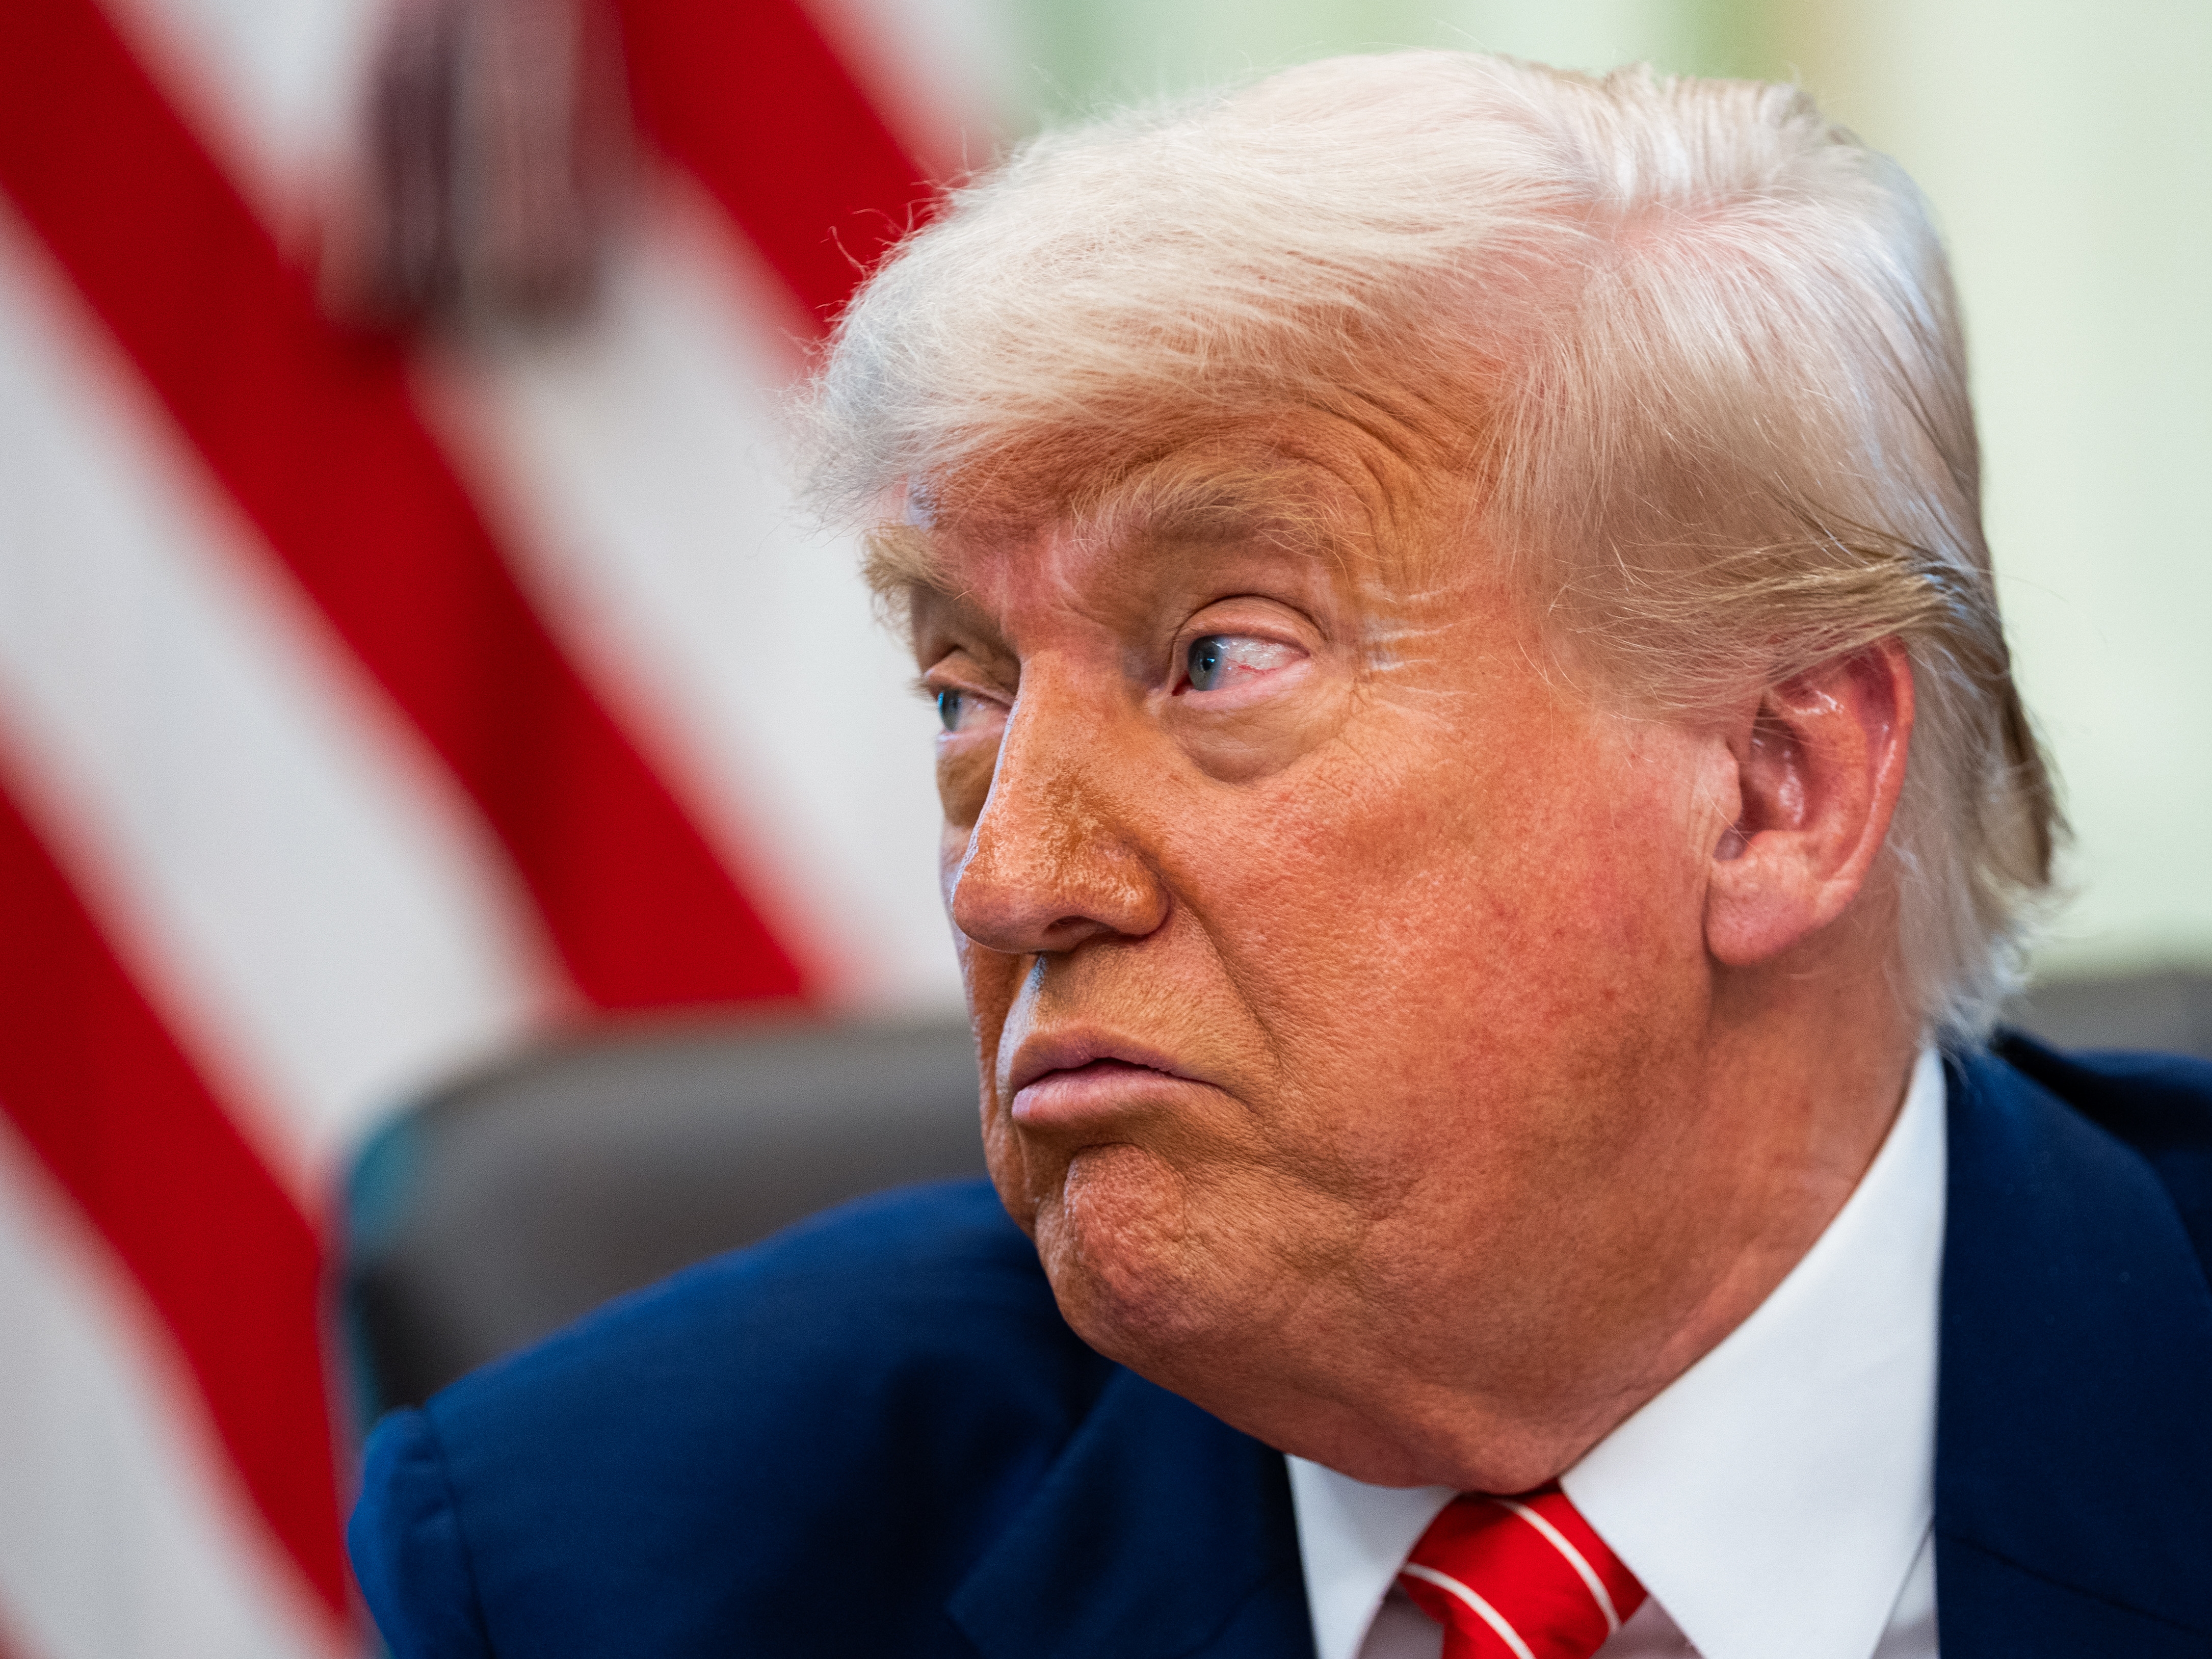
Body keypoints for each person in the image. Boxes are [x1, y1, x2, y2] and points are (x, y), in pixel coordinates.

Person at [349, 52, 2211, 1659]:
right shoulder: (616, 1554)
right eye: (966, 695)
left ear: (1770, 790)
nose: (1009, 882)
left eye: (1217, 655)